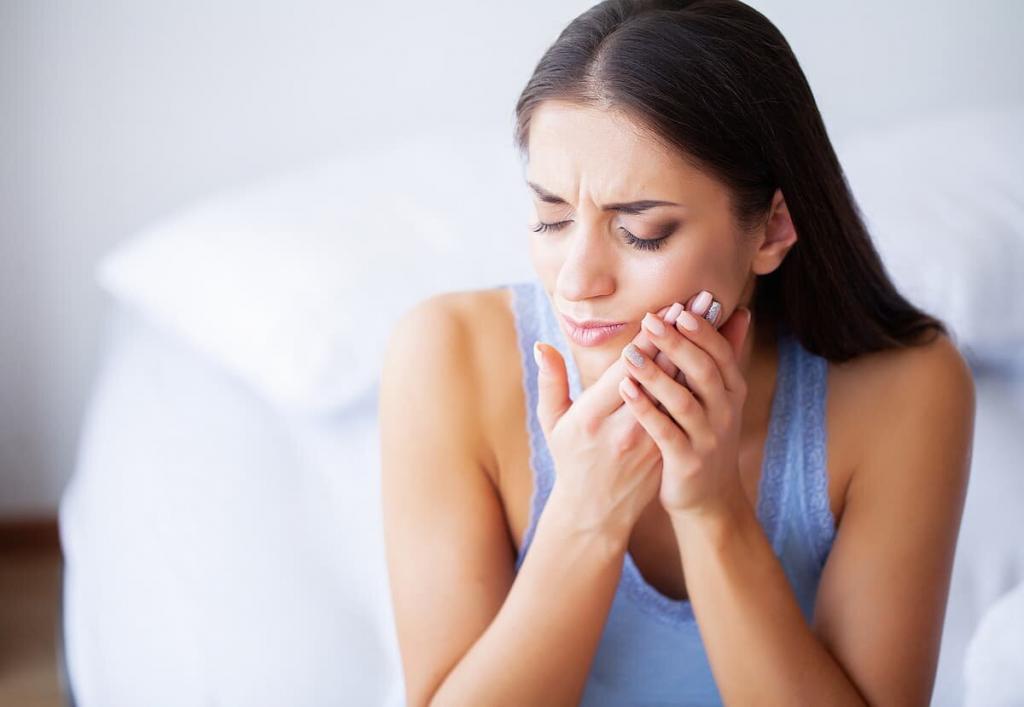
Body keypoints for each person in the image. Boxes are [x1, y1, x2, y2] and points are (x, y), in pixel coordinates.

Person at [379, 1, 976, 705]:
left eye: (644, 232)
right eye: (551, 217)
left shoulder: (906, 388)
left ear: (772, 228)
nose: (576, 281)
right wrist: (588, 511)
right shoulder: (445, 357)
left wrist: (712, 509)